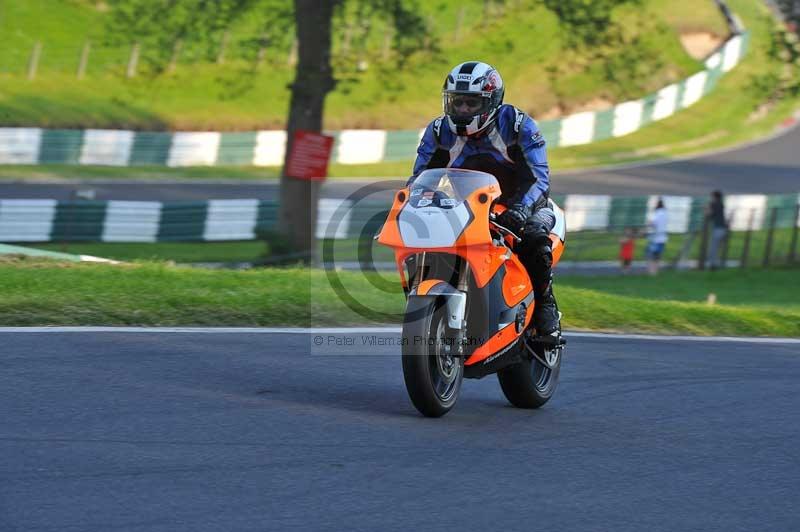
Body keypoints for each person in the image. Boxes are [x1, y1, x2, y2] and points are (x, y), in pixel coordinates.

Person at [408, 61, 559, 341]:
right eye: (457, 102)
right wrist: (415, 201)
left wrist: (522, 209)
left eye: (471, 103)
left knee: (535, 237)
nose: (463, 110)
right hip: (464, 206)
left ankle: (545, 306)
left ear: (491, 102)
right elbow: (419, 178)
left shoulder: (518, 125)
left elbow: (539, 177)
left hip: (521, 205)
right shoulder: (439, 130)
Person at [705, 189, 728, 270]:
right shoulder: (721, 204)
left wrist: (706, 208)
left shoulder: (713, 204)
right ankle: (718, 264)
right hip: (723, 228)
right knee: (718, 248)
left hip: (717, 228)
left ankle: (713, 266)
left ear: (714, 197)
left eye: (711, 196)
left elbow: (708, 215)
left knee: (713, 248)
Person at [646, 198, 668, 275]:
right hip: (662, 238)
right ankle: (656, 271)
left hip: (655, 238)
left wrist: (649, 223)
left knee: (651, 255)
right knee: (658, 255)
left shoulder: (656, 214)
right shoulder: (665, 213)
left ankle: (652, 272)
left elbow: (653, 224)